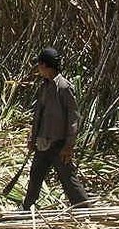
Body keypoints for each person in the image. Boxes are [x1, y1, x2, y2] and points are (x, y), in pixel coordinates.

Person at [18, 47, 89, 209]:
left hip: (59, 145)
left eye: (39, 65)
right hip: (42, 143)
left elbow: (73, 118)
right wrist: (33, 138)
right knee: (35, 175)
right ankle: (27, 208)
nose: (38, 69)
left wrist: (68, 146)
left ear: (44, 65)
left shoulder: (64, 87)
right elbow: (39, 115)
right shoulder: (44, 86)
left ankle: (85, 210)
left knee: (68, 178)